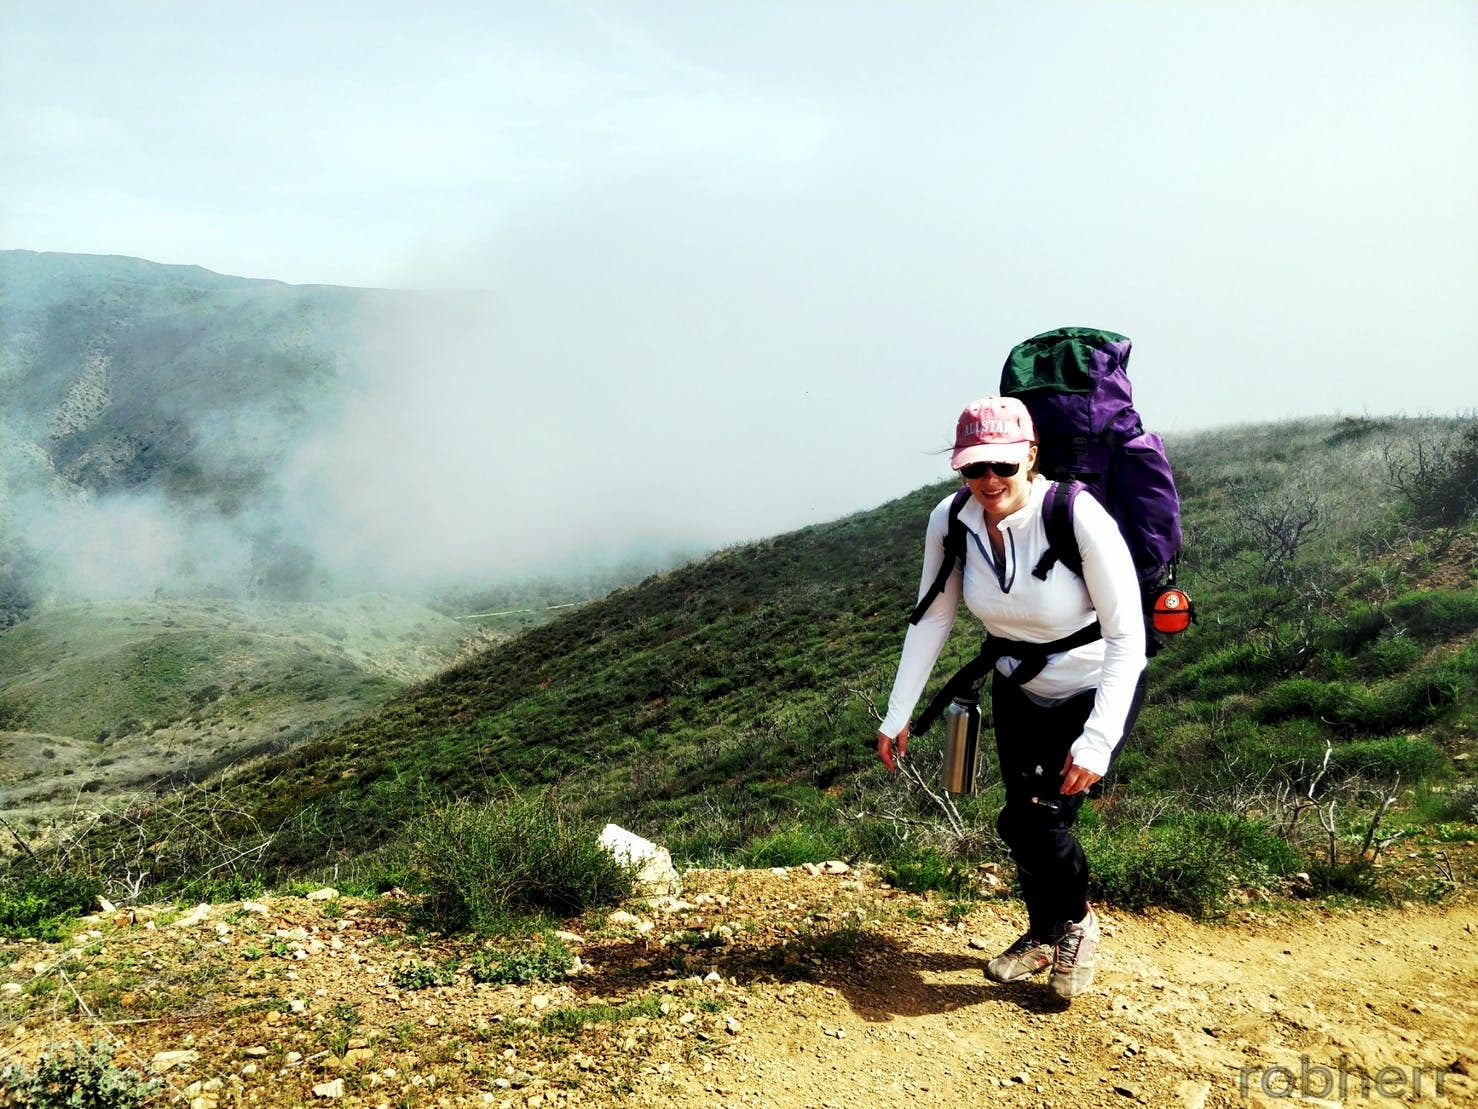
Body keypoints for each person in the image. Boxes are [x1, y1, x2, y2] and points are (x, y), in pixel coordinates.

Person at [876, 394, 1146, 1001]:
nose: (988, 480)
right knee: (1026, 819)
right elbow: (931, 619)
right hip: (1016, 686)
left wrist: (1098, 739)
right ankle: (1044, 931)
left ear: (1031, 454)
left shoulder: (1076, 516)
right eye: (974, 468)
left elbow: (1129, 635)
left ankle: (1076, 926)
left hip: (1092, 683)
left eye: (1001, 464)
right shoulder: (952, 520)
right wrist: (899, 715)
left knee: (1034, 819)